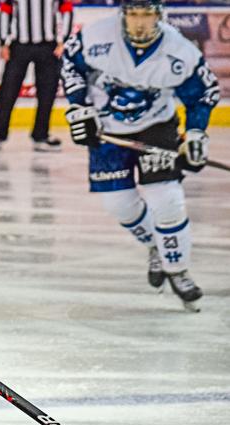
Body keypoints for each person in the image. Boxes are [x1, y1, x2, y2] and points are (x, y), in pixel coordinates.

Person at [61, 0, 219, 310]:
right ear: (123, 14)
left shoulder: (179, 51)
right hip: (107, 130)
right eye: (133, 14)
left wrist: (195, 133)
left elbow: (203, 94)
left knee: (167, 199)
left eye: (147, 14)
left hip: (157, 127)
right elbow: (70, 64)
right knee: (119, 205)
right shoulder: (96, 37)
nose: (140, 22)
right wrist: (80, 107)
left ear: (160, 15)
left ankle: (178, 268)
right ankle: (155, 246)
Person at [0, 0, 73, 152]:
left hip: (48, 46)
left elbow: (66, 8)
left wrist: (63, 41)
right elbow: (5, 10)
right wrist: (3, 42)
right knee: (8, 90)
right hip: (19, 45)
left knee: (47, 92)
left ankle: (41, 135)